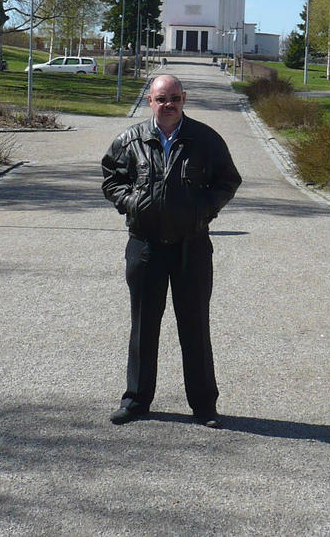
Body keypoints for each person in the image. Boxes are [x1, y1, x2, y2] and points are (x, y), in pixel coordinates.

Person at [101, 73, 241, 428]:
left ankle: (204, 406)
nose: (168, 105)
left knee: (194, 327)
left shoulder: (205, 139)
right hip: (145, 246)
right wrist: (133, 201)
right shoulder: (130, 140)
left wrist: (203, 209)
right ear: (150, 101)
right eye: (162, 99)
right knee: (143, 327)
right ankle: (136, 400)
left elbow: (228, 180)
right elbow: (111, 178)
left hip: (191, 248)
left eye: (175, 98)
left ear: (184, 99)